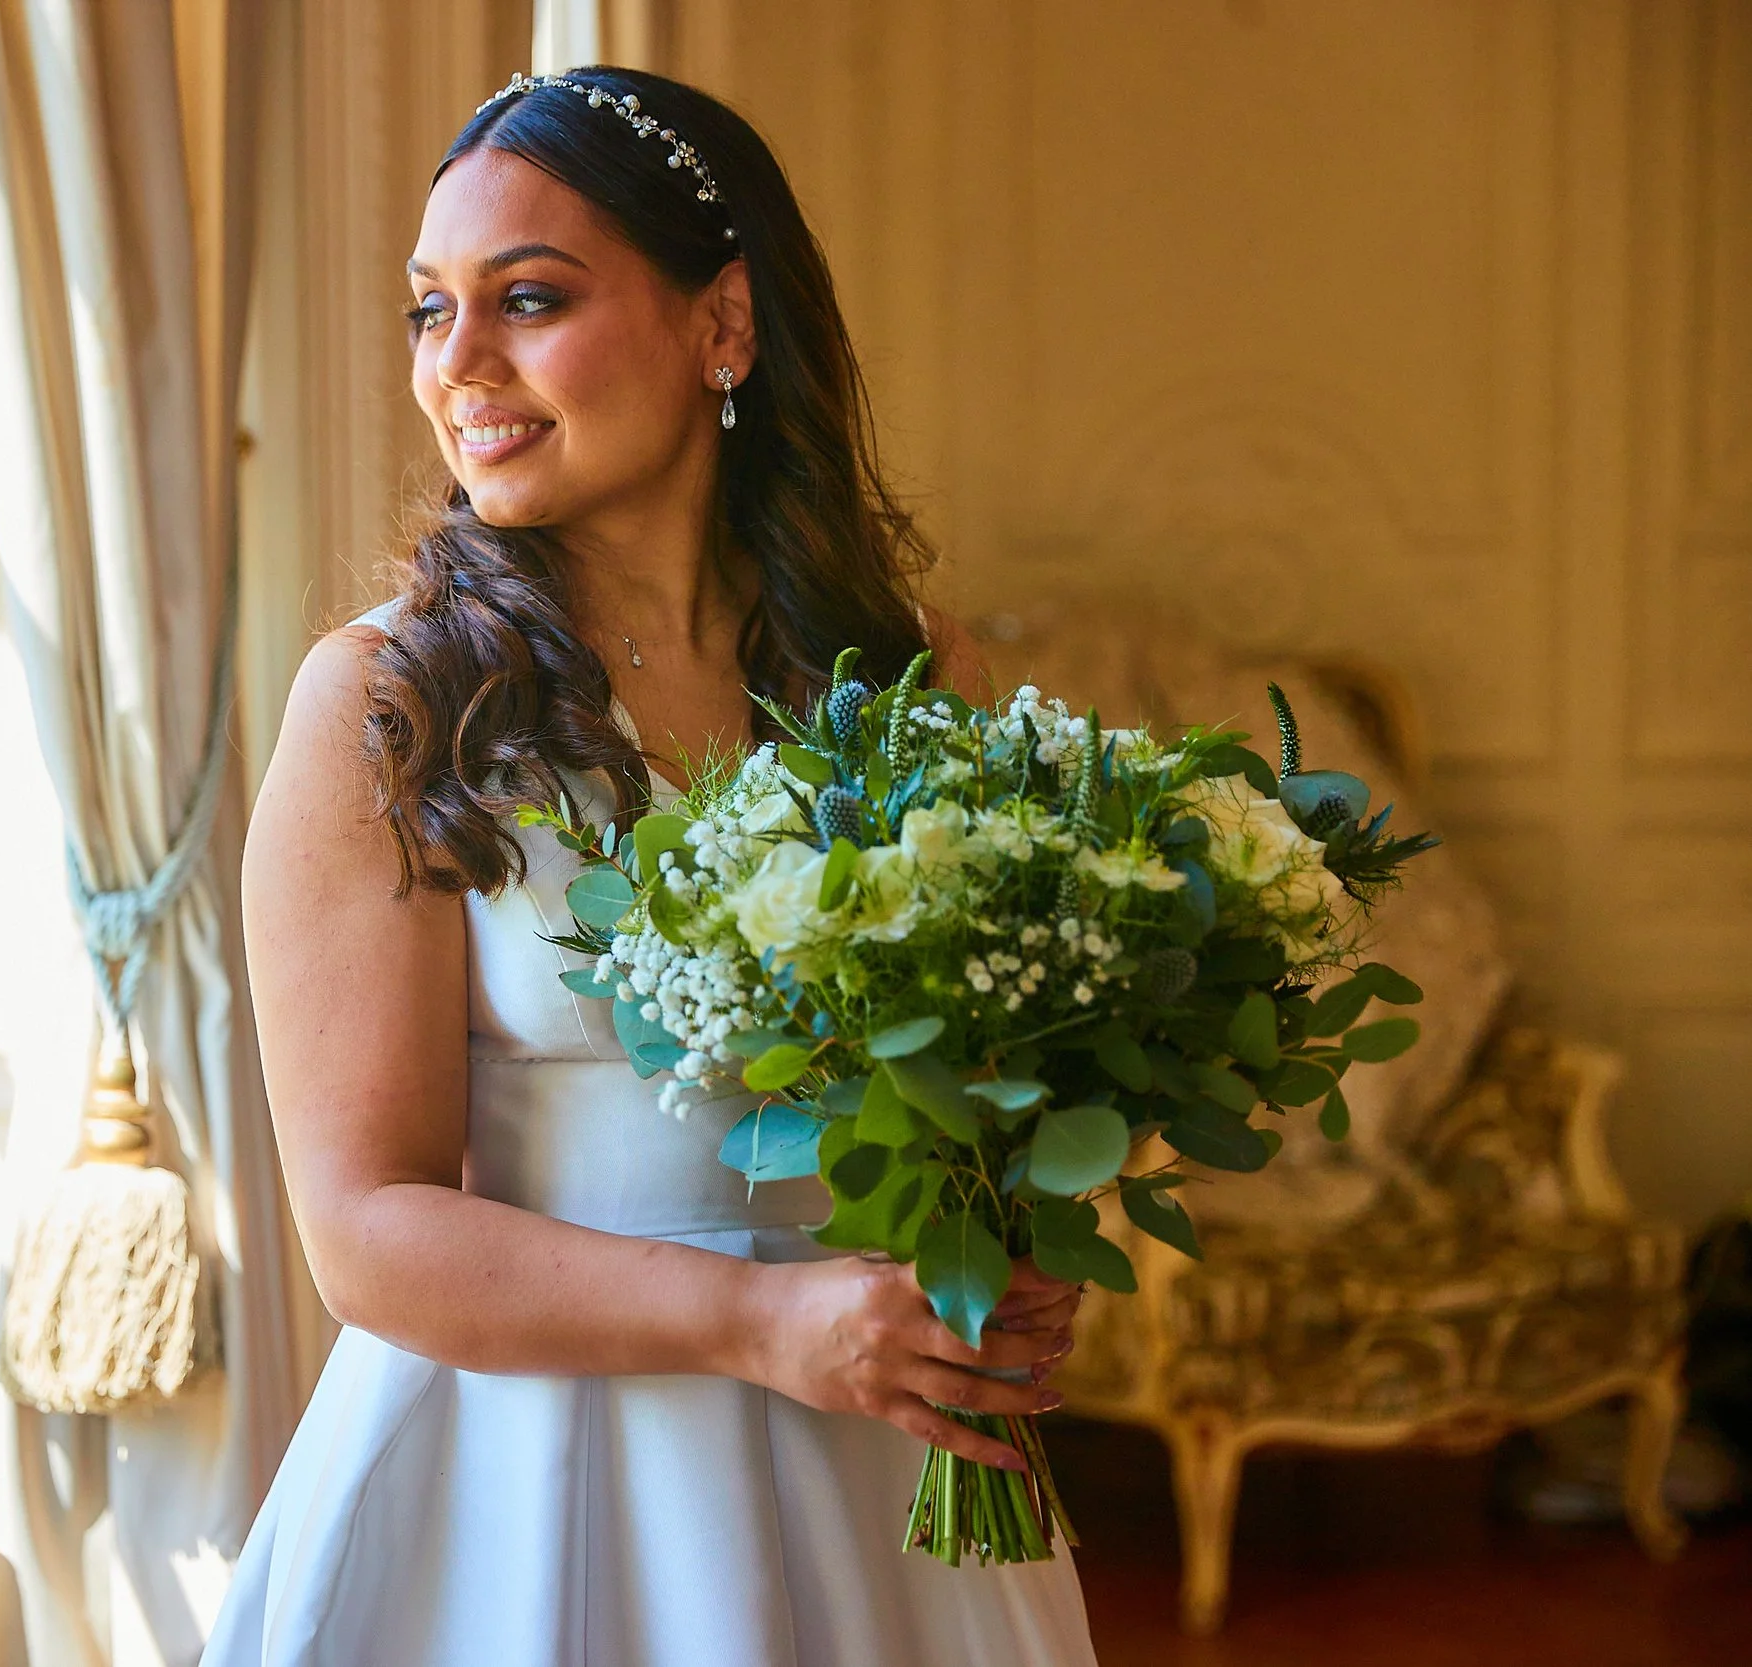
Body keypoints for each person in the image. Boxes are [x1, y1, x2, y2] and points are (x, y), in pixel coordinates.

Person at [204, 66, 1099, 1667]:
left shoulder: (907, 681)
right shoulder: (393, 703)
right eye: (429, 312)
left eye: (527, 300)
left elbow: (983, 1096)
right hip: (531, 1499)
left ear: (724, 325)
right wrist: (761, 1321)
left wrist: (1008, 1257)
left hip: (878, 1472)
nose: (457, 368)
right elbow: (363, 1230)